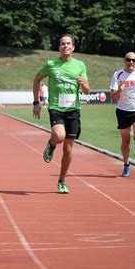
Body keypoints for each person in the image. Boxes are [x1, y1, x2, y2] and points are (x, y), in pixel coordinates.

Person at [33, 34, 90, 194]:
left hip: (73, 110)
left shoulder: (80, 65)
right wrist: (36, 103)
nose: (65, 46)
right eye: (62, 44)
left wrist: (84, 85)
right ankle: (51, 144)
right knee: (59, 136)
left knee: (68, 149)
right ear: (59, 47)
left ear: (73, 47)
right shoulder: (51, 64)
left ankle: (62, 180)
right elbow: (37, 79)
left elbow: (86, 91)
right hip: (56, 107)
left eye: (68, 43)